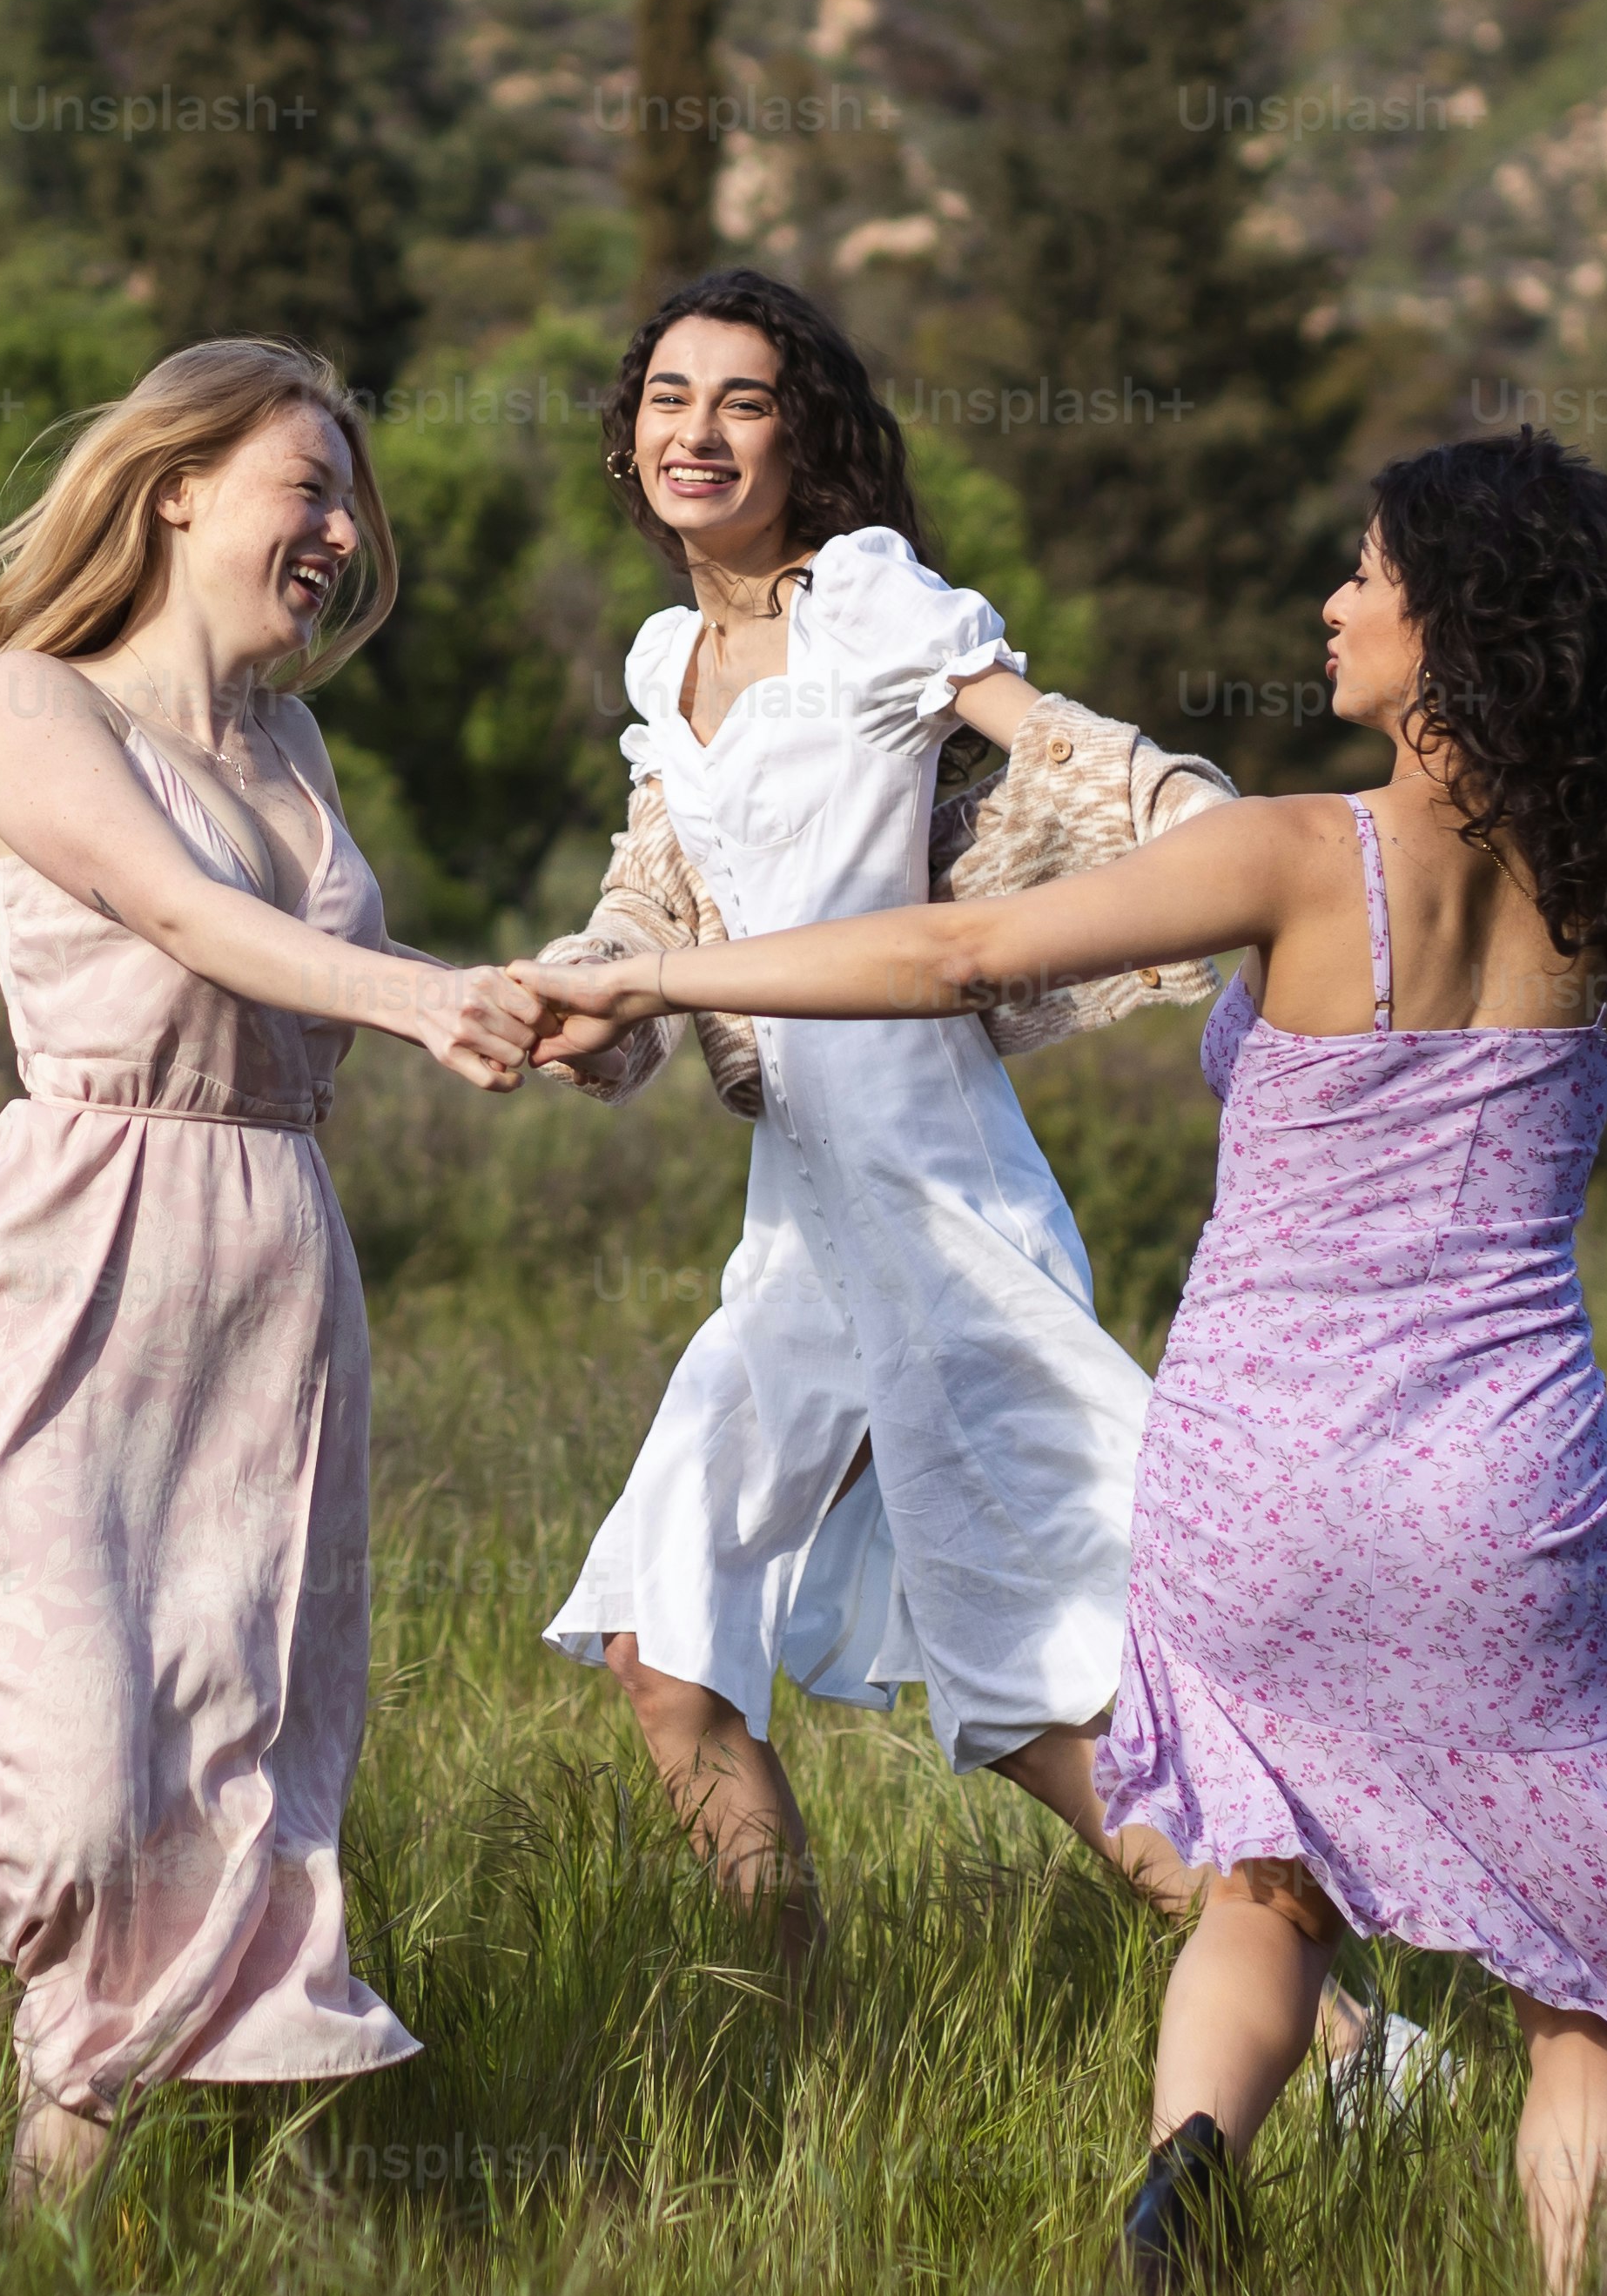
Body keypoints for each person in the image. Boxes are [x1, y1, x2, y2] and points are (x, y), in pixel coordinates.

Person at [528, 429, 1607, 2296]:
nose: (1333, 602)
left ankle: (1197, 2156)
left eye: (1367, 573)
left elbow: (964, 948)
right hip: (1506, 1482)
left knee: (1259, 1880)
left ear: (1454, 630)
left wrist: (662, 984)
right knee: (1601, 1981)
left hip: (1252, 1483)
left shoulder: (1301, 852)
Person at [522, 274, 1430, 2118]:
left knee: (1038, 1693)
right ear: (628, 434)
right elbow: (652, 887)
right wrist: (581, 987)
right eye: (669, 396)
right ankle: (809, 2054)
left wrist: (1207, 827)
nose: (698, 429)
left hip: (936, 1211)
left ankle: (1353, 2060)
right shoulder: (656, 663)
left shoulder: (862, 598)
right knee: (666, 1648)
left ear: (805, 436)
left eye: (745, 400)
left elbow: (1048, 732)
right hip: (796, 1232)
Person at [0, 341, 541, 2204]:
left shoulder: (290, 743)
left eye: (354, 505)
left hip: (274, 1281)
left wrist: (553, 1006)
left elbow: (312, 967)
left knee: (221, 1778)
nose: (342, 535)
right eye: (309, 486)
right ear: (181, 483)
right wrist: (426, 996)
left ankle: (45, 2250)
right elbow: (188, 917)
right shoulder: (37, 703)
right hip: (78, 1247)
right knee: (76, 1773)